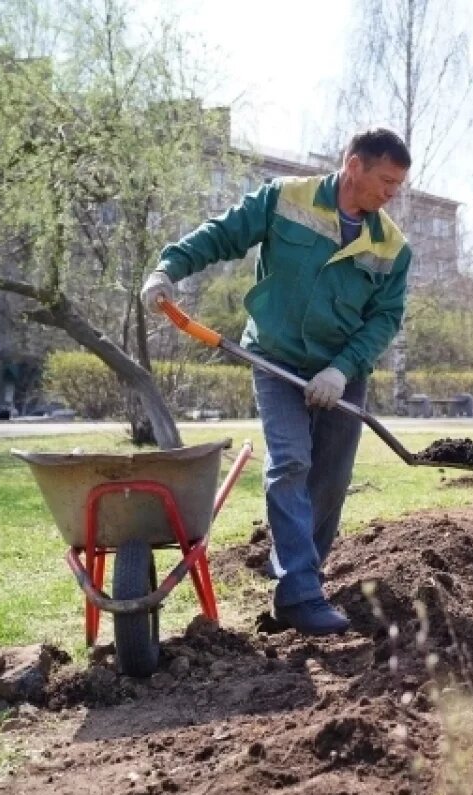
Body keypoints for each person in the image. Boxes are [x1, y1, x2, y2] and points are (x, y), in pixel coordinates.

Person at [141, 128, 413, 635]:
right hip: (276, 359)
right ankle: (299, 593)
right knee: (290, 462)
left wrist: (341, 369)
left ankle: (303, 567)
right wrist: (168, 268)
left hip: (342, 371)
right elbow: (222, 233)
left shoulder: (391, 246)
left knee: (329, 480)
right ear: (354, 165)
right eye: (385, 180)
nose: (391, 193)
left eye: (398, 184)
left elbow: (384, 319)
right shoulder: (286, 198)